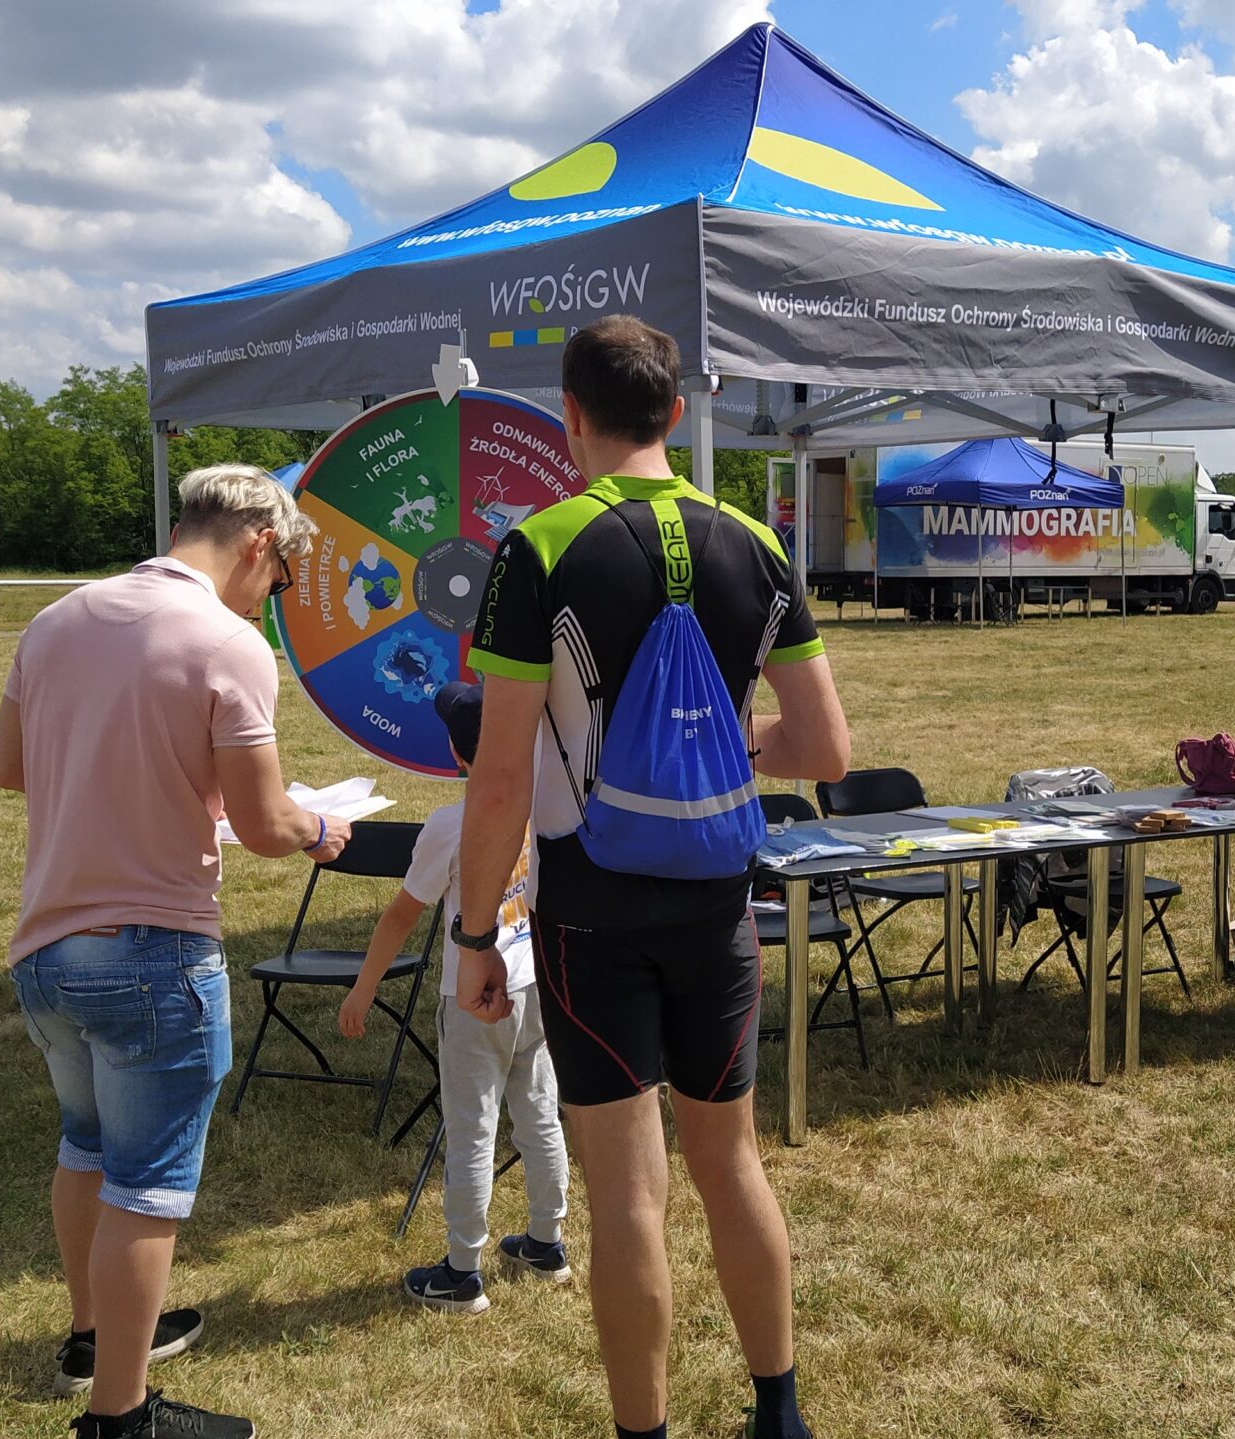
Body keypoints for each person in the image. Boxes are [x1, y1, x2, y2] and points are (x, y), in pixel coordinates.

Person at [456, 315, 851, 1439]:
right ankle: (778, 1410)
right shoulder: (754, 544)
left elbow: (495, 782)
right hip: (720, 900)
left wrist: (476, 934)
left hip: (591, 908)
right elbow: (825, 750)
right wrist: (720, 747)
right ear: (676, 414)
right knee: (731, 1164)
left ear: (568, 417)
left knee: (630, 1192)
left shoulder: (538, 550)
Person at [0, 463, 353, 1439]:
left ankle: (89, 1336)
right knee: (147, 1186)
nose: (271, 597)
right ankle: (122, 1415)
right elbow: (267, 822)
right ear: (256, 543)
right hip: (153, 951)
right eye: (278, 578)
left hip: (45, 948)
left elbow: (14, 769)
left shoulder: (55, 620)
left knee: (85, 1145)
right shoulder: (226, 643)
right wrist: (320, 828)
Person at [337, 680, 569, 1316]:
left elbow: (399, 917)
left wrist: (363, 988)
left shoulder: (449, 825)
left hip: (471, 998)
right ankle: (547, 1242)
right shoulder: (543, 810)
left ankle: (462, 1271)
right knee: (539, 1112)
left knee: (472, 1129)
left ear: (457, 755)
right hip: (533, 987)